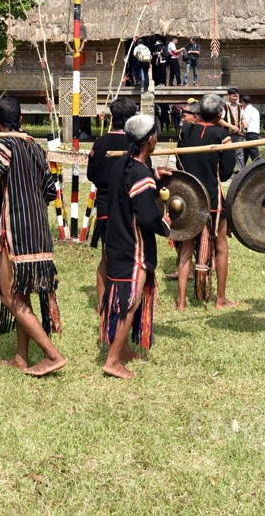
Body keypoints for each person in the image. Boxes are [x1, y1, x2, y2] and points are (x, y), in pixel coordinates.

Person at [0, 97, 64, 377]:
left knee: (10, 298)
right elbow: (51, 192)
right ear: (20, 119)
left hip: (15, 234)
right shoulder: (35, 146)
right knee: (21, 296)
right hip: (39, 230)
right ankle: (21, 357)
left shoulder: (3, 144)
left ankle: (52, 355)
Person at [100, 113, 171, 379]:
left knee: (123, 298)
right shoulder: (140, 173)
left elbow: (131, 184)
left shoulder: (122, 164)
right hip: (133, 247)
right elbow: (148, 217)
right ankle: (113, 360)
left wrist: (154, 174)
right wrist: (165, 224)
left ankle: (124, 349)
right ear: (150, 139)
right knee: (130, 301)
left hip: (116, 240)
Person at [175, 96, 236, 309]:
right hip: (211, 198)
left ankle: (181, 301)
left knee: (186, 245)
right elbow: (227, 172)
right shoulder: (222, 135)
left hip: (187, 198)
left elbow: (178, 163)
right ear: (220, 114)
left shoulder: (185, 131)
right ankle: (220, 299)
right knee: (221, 246)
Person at [86, 97, 137, 308]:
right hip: (129, 209)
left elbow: (91, 175)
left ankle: (101, 304)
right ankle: (127, 302)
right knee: (131, 258)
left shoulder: (99, 143)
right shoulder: (136, 145)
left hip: (105, 208)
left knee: (106, 258)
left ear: (113, 117)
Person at [223, 87, 244, 172]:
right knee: (228, 153)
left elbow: (242, 118)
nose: (235, 98)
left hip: (239, 134)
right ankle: (228, 171)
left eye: (236, 96)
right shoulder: (224, 106)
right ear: (229, 96)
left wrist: (244, 126)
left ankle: (240, 171)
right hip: (228, 133)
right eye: (233, 96)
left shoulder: (240, 106)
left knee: (240, 153)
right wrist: (231, 127)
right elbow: (220, 120)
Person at [240, 94, 261, 164]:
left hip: (250, 133)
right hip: (255, 133)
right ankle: (242, 168)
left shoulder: (247, 110)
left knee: (254, 154)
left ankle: (259, 167)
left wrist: (240, 130)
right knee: (245, 152)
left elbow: (245, 123)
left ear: (243, 102)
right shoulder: (255, 109)